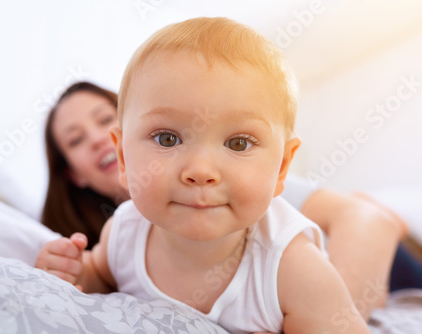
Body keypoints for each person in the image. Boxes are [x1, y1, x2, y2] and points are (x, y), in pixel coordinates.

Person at [37, 17, 374, 333]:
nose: (200, 171)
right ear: (124, 156)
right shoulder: (123, 234)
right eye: (167, 139)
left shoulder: (294, 270)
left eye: (239, 143)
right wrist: (72, 271)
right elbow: (99, 275)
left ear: (282, 166)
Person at [42, 82, 127, 249]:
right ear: (74, 175)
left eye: (105, 119)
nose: (96, 139)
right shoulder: (99, 258)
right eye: (76, 139)